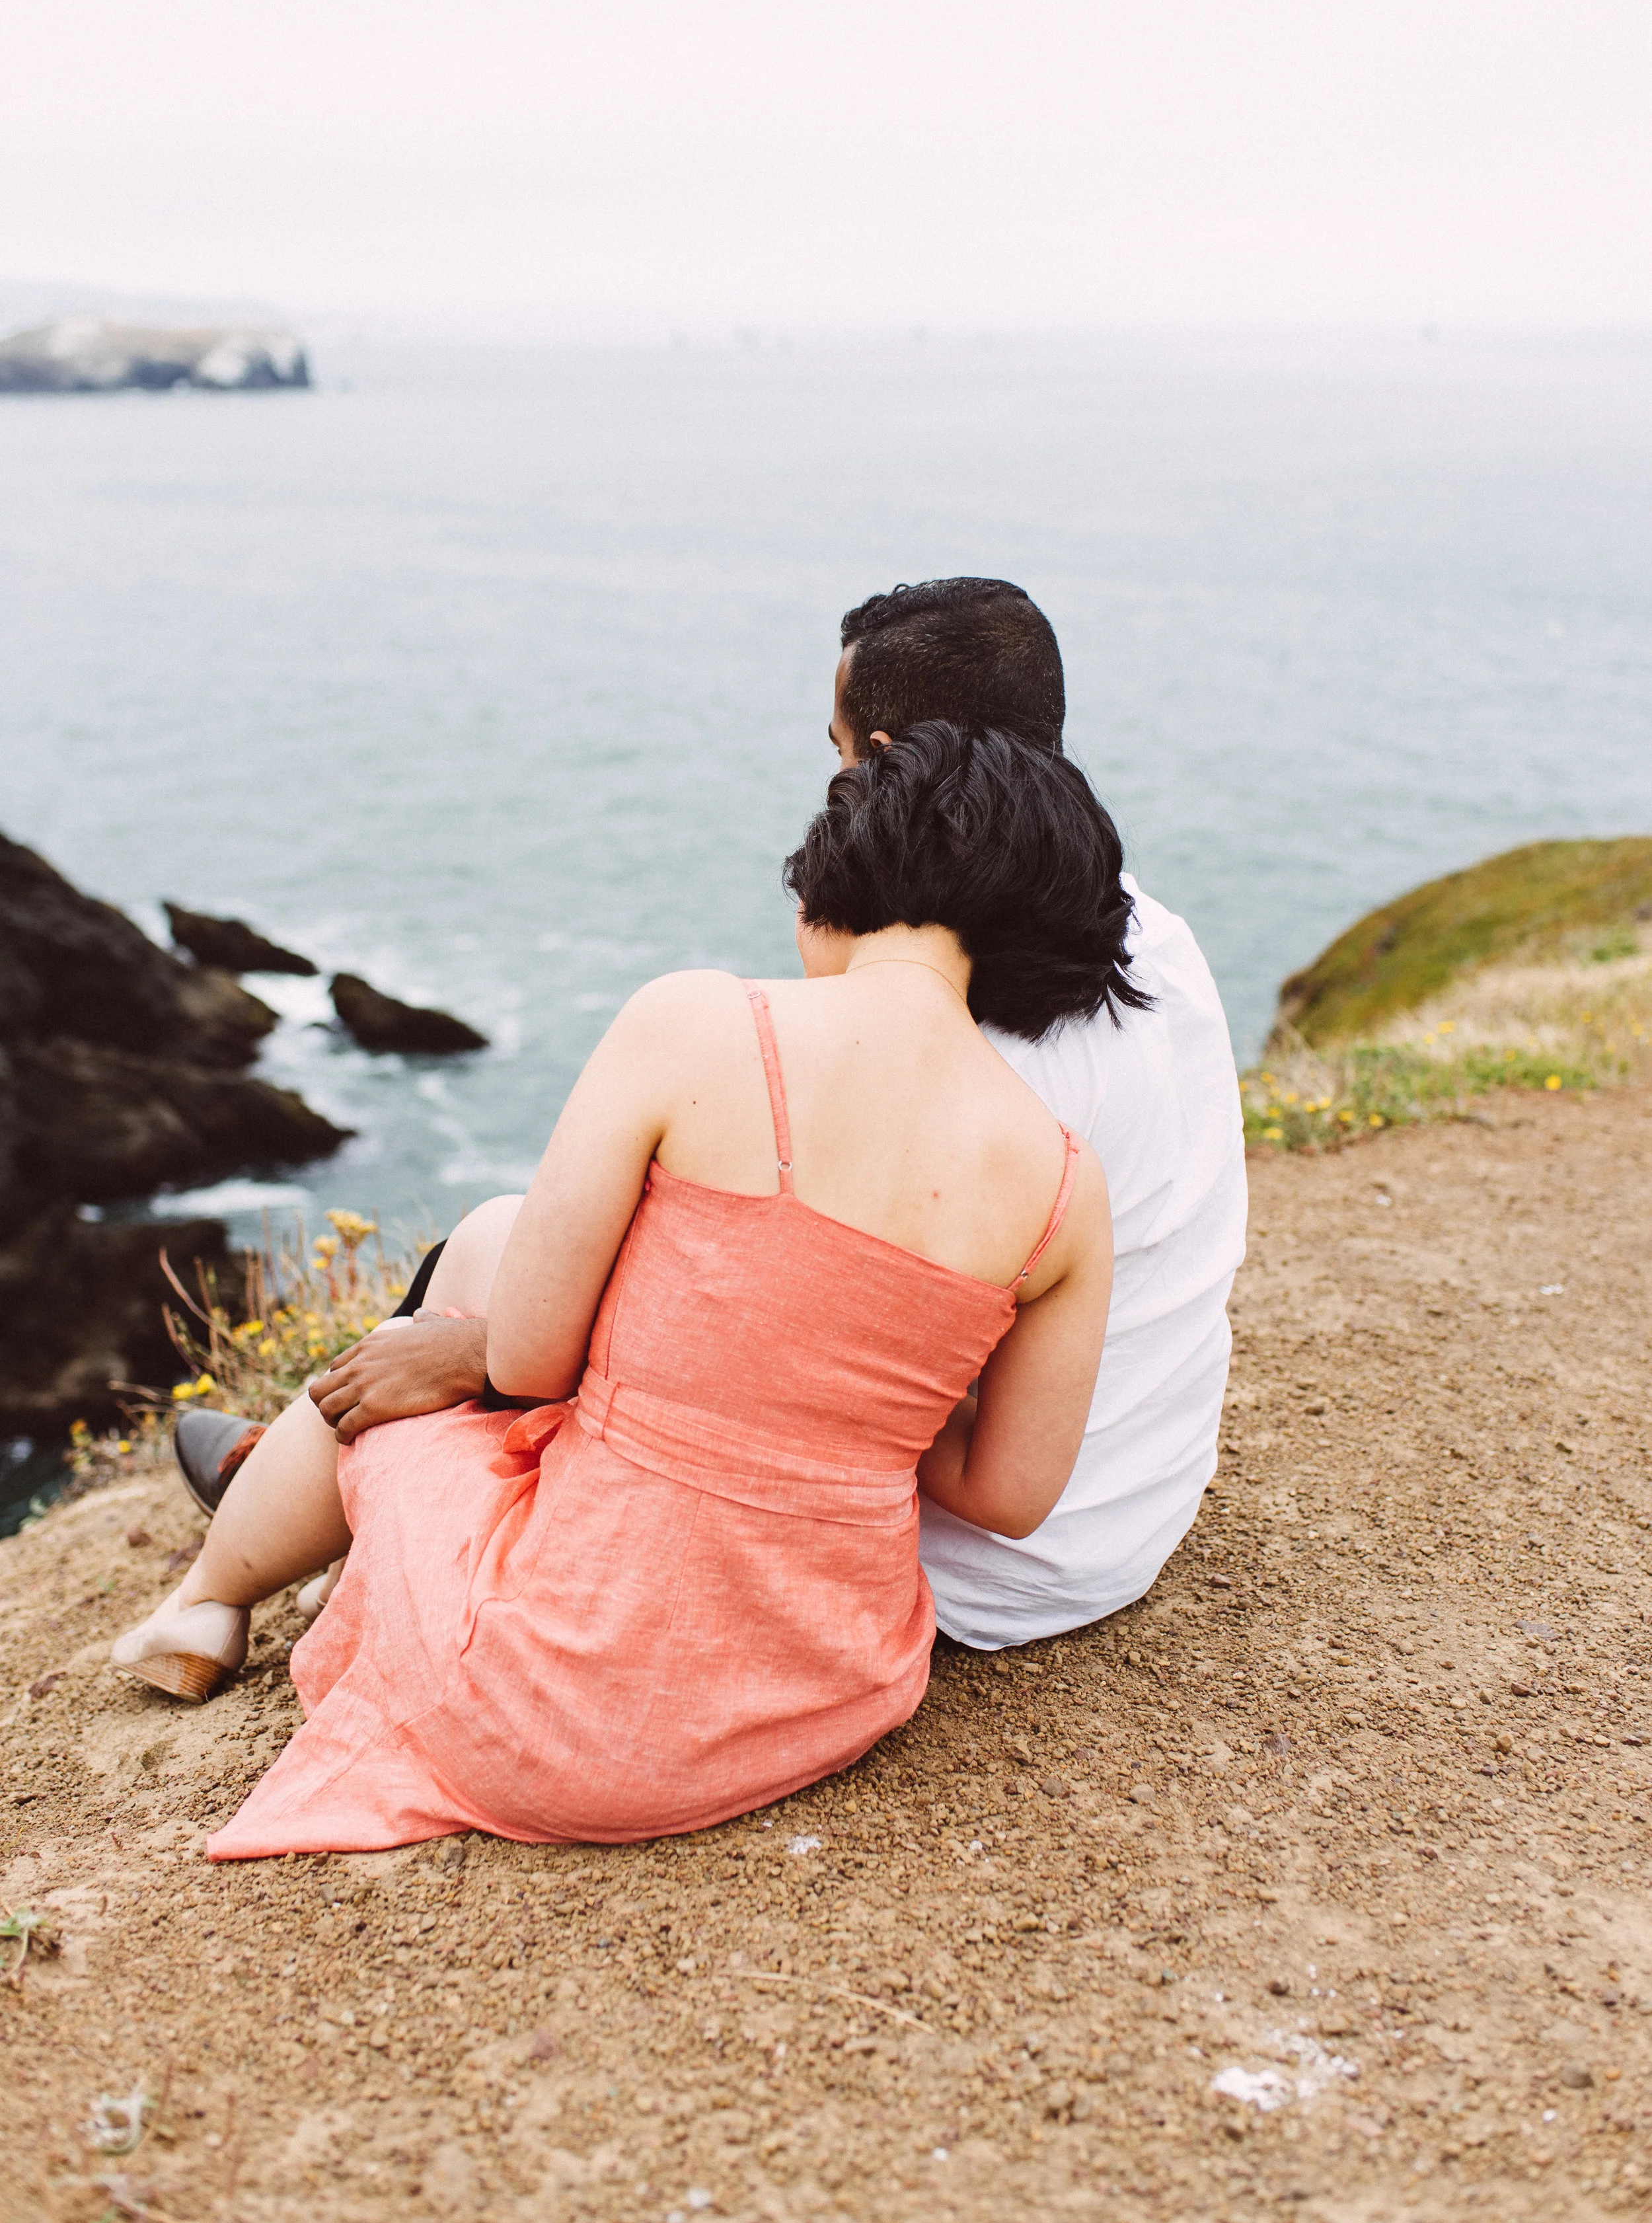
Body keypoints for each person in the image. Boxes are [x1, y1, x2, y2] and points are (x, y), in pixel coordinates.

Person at [110, 723, 1130, 1856]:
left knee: (425, 1361)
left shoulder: (696, 1022)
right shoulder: (1067, 1185)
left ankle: (205, 1601)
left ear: (848, 866)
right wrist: (848, 1402)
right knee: (493, 1280)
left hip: (547, 1707)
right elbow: (1007, 1493)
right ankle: (257, 1581)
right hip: (825, 1699)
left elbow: (526, 1359)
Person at [264, 578, 1246, 1649]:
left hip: (956, 1565)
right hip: (1125, 1515)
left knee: (502, 1259)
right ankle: (291, 1488)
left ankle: (290, 1504)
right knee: (525, 1271)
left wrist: (479, 1357)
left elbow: (768, 1339)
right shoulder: (1154, 937)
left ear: (884, 766)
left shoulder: (961, 1048)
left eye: (839, 754)